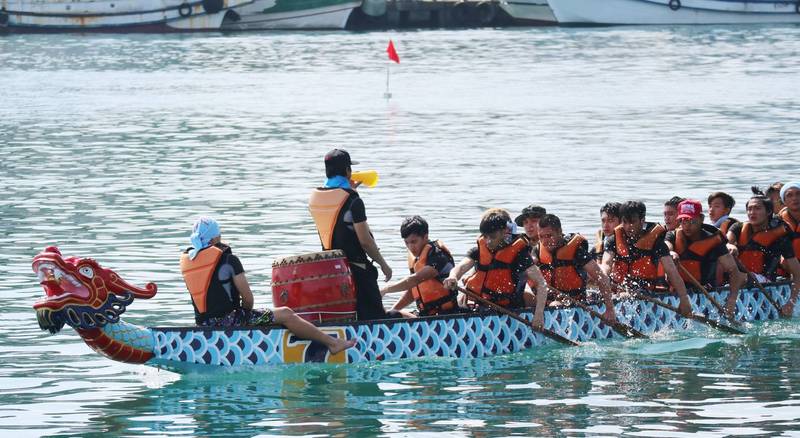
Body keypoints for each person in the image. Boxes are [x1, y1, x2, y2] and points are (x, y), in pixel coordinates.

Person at [179, 217, 356, 354]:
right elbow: (248, 299)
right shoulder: (228, 260)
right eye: (219, 234)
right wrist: (245, 316)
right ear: (214, 238)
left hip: (203, 326)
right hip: (230, 322)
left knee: (269, 314)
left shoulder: (190, 261)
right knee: (286, 313)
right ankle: (333, 343)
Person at [308, 148, 394, 320]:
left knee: (346, 316)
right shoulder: (353, 201)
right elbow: (365, 242)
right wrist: (384, 265)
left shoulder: (314, 197)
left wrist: (351, 192)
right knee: (375, 318)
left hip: (331, 270)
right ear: (348, 171)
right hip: (358, 271)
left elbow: (338, 219)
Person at [443, 209, 549, 328]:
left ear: (505, 231)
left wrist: (539, 316)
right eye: (485, 236)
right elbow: (461, 267)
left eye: (492, 237)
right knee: (458, 300)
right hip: (481, 305)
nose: (488, 241)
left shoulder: (519, 254)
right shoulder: (480, 249)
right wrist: (452, 276)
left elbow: (541, 283)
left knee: (528, 296)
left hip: (508, 309)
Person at [600, 201, 693, 316]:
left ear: (642, 220)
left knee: (628, 294)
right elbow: (606, 264)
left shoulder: (656, 242)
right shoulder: (612, 240)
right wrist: (602, 277)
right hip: (618, 290)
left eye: (633, 222)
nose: (628, 227)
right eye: (625, 222)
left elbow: (671, 270)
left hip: (645, 293)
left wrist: (684, 300)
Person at [665, 200, 746, 316]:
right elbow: (667, 246)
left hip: (707, 292)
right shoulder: (672, 235)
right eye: (683, 221)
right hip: (678, 292)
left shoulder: (714, 241)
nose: (686, 225)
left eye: (691, 221)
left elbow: (734, 271)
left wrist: (732, 301)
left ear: (701, 219)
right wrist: (671, 252)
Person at [532, 214, 617, 322]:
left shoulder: (576, 251)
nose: (545, 241)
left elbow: (602, 277)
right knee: (528, 297)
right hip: (546, 300)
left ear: (559, 232)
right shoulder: (537, 250)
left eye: (549, 236)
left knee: (555, 304)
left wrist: (610, 309)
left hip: (573, 301)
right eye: (541, 236)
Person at [727, 194, 800, 316]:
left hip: (765, 281)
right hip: (737, 279)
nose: (752, 212)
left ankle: (729, 309)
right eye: (749, 209)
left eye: (757, 208)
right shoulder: (738, 228)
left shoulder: (780, 237)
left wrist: (790, 303)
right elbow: (726, 241)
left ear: (769, 212)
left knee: (739, 276)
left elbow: (797, 273)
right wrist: (730, 245)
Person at [380, 216, 461, 317]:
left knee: (393, 315)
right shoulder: (417, 259)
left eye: (414, 242)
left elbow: (415, 279)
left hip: (447, 316)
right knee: (390, 314)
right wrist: (393, 310)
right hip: (426, 316)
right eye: (406, 243)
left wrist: (385, 289)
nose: (410, 247)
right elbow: (413, 291)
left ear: (425, 237)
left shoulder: (438, 255)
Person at [779, 182, 800, 265]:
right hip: (785, 269)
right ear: (784, 201)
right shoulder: (776, 222)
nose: (794, 198)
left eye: (798, 194)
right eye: (789, 195)